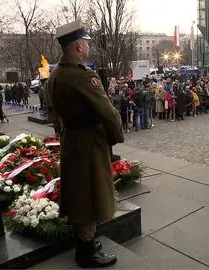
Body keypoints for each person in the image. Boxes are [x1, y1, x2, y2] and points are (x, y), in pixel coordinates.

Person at [46, 20, 124, 268]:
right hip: (89, 142)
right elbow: (108, 112)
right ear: (78, 46)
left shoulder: (56, 74)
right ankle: (87, 252)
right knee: (91, 195)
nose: (88, 46)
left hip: (71, 139)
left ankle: (85, 244)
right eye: (86, 43)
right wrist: (116, 136)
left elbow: (53, 112)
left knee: (78, 194)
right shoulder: (83, 76)